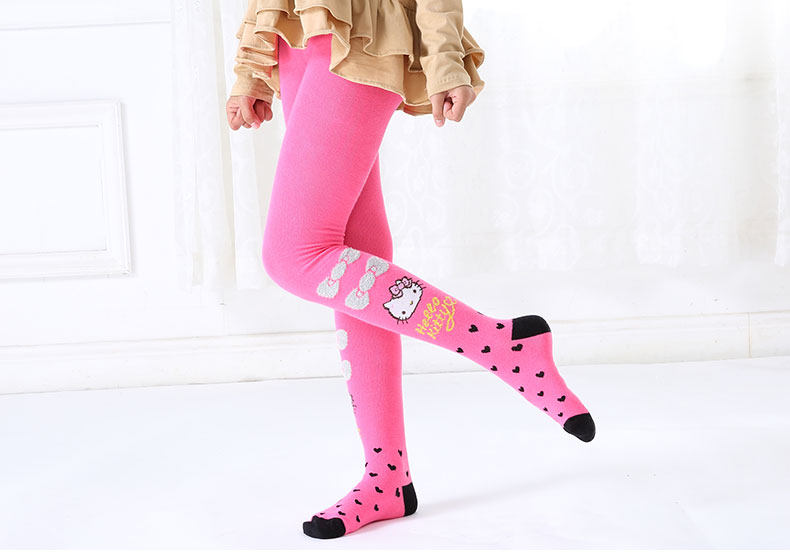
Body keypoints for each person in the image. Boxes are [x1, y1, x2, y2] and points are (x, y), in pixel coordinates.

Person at [225, 0, 596, 540]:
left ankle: (499, 344)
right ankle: (387, 480)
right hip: (296, 28)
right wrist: (251, 68)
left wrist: (445, 56)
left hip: (362, 27)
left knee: (295, 254)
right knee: (353, 262)